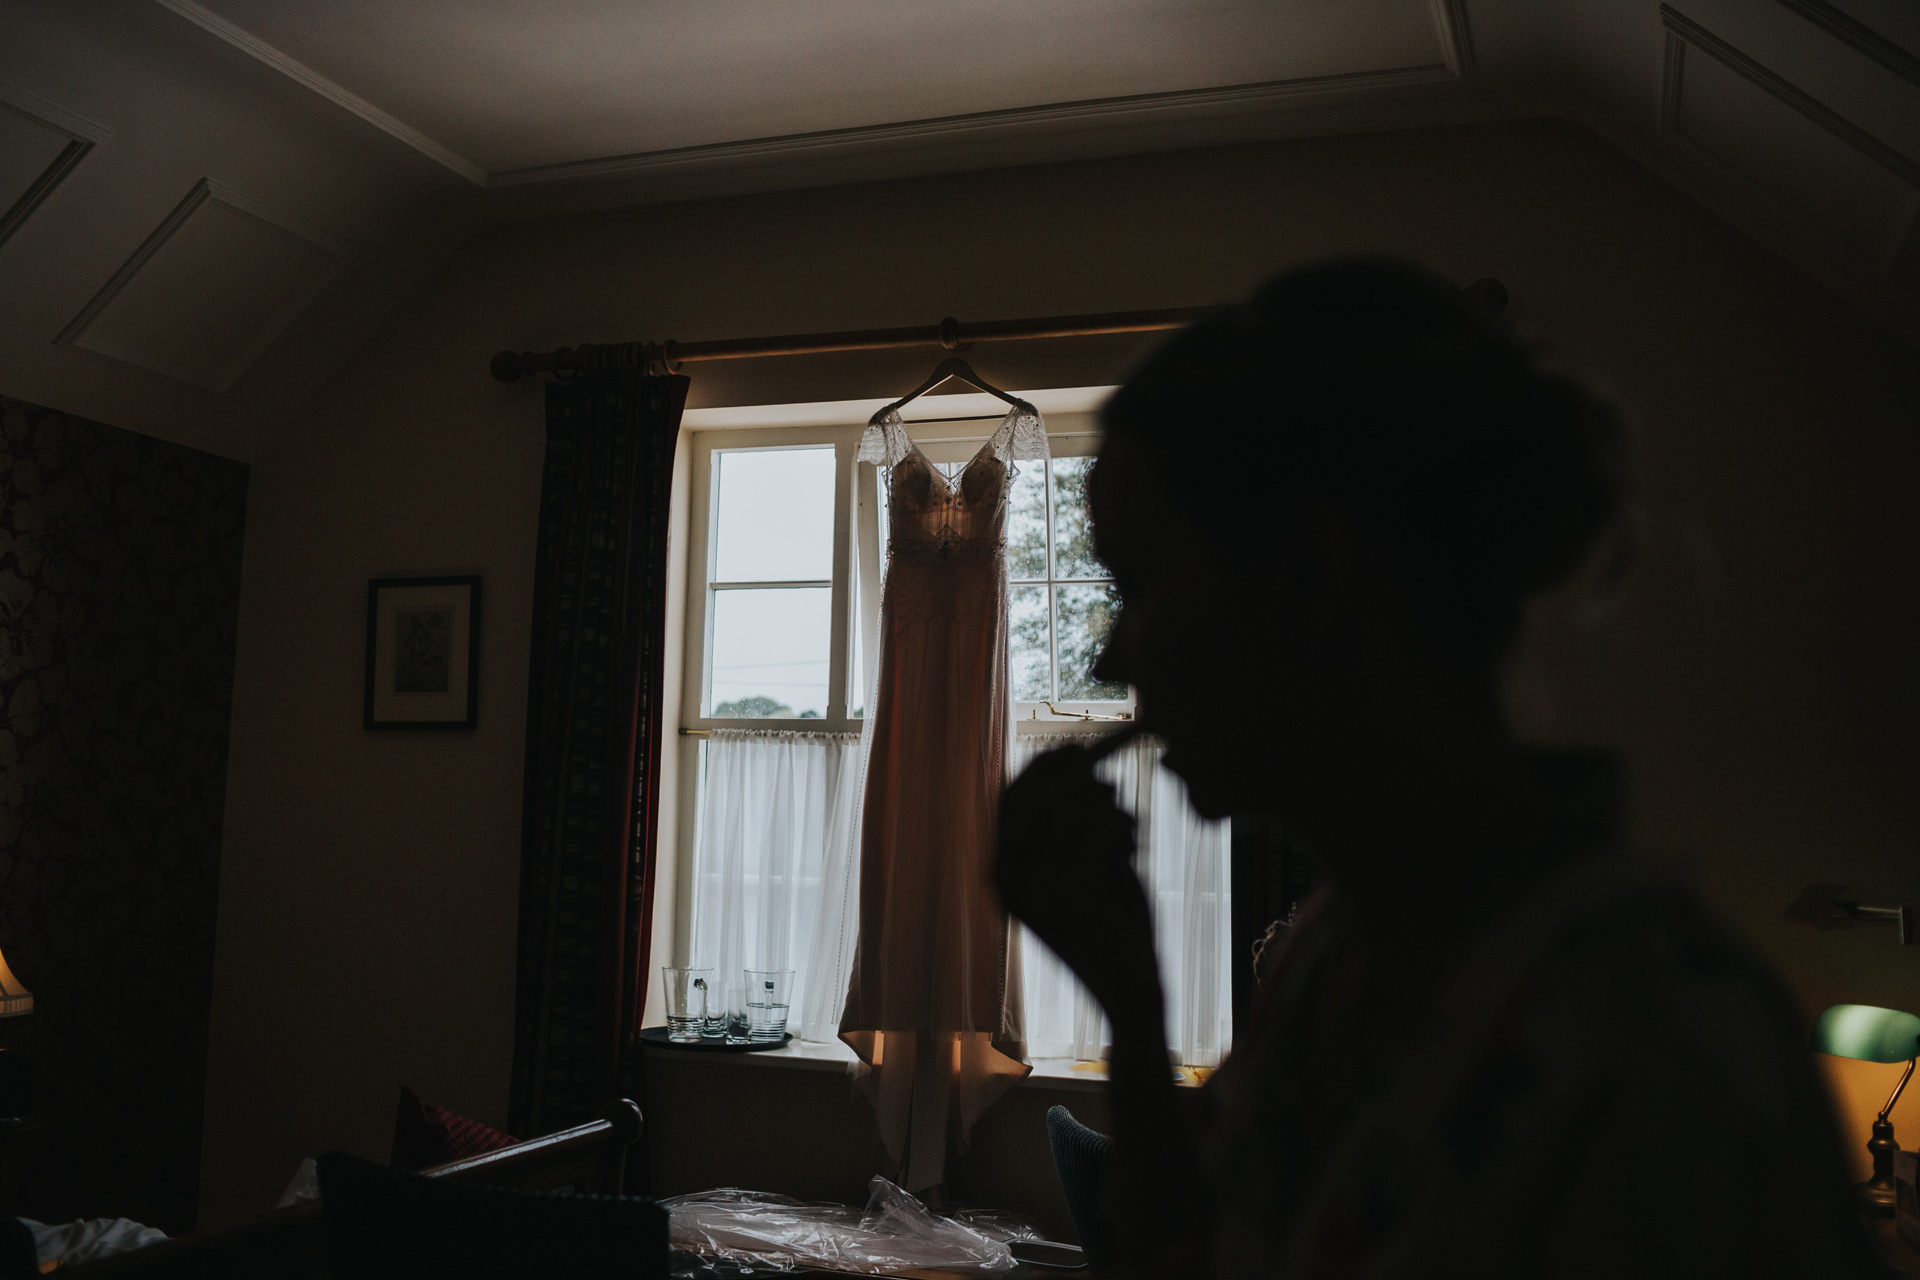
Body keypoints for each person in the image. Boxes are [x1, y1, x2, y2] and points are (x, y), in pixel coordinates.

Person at [995, 261, 1885, 1278]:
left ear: (1314, 573)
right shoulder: (1328, 954)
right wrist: (1134, 1007)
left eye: (1142, 583)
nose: (1114, 660)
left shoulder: (1658, 1048)